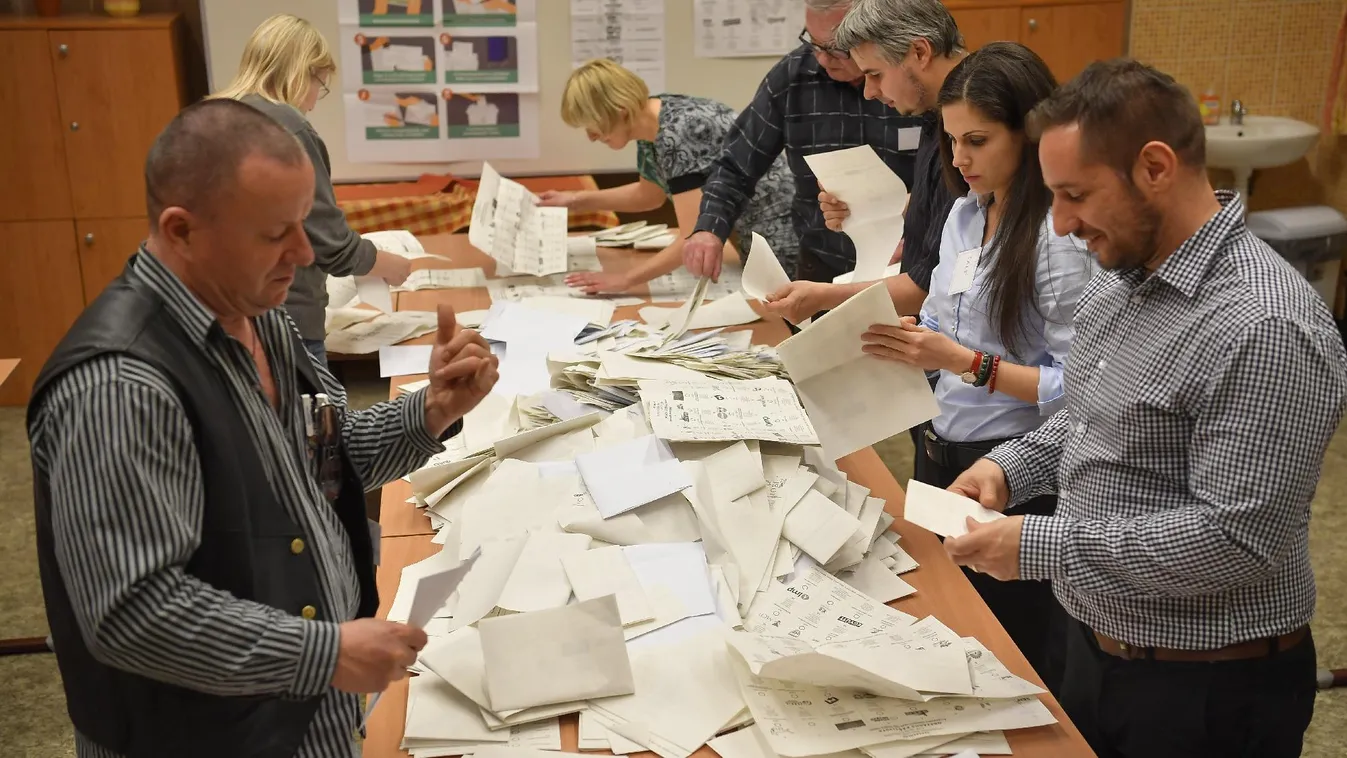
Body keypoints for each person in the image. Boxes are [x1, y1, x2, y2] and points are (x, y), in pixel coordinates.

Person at [27, 99, 499, 758]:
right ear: (182, 230)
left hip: (298, 712)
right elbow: (132, 612)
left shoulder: (257, 317)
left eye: (305, 223)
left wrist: (432, 410)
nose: (304, 255)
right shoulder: (122, 386)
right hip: (203, 735)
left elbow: (316, 467)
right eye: (276, 233)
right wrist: (323, 652)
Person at [943, 59, 1347, 758]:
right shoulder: (1123, 273)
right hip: (1097, 646)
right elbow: (1091, 415)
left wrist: (1034, 545)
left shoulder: (1265, 325)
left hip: (1206, 688)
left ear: (1155, 167)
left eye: (1074, 195)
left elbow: (1235, 540)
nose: (1062, 224)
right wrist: (1007, 469)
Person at [856, 41, 1091, 691]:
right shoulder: (965, 213)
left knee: (1012, 653)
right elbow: (940, 320)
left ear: (1027, 134)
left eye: (977, 141)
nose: (958, 159)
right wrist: (913, 341)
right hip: (941, 447)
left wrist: (967, 363)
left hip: (1014, 464)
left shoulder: (1057, 240)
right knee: (953, 627)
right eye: (950, 138)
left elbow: (1082, 391)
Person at [212, 13, 414, 367]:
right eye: (318, 84)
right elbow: (329, 243)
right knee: (320, 421)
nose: (314, 101)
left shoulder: (218, 117)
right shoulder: (290, 128)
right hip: (288, 322)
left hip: (228, 315)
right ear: (299, 71)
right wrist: (388, 265)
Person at [682, 0, 925, 287]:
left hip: (909, 264)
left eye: (837, 47)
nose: (823, 58)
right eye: (813, 42)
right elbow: (737, 164)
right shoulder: (793, 78)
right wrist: (708, 229)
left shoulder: (913, 81)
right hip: (823, 264)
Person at [764, 0, 969, 323]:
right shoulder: (936, 114)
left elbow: (926, 284)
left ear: (919, 52)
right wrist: (870, 207)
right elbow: (946, 202)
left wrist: (821, 297)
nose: (869, 92)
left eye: (875, 74)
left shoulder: (969, 122)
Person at [539, 58, 798, 293]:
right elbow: (648, 196)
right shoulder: (652, 121)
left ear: (620, 111)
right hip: (755, 236)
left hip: (781, 238)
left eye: (593, 127)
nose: (591, 137)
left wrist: (624, 280)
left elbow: (691, 234)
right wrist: (575, 199)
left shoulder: (679, 132)